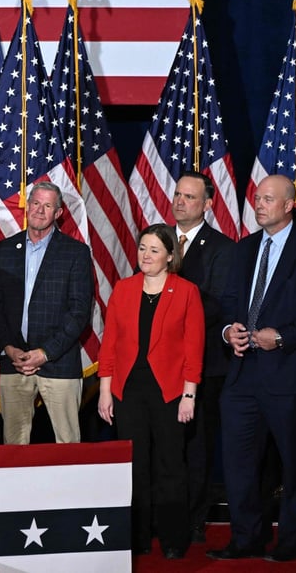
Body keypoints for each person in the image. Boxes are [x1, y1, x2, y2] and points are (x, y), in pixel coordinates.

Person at [208, 175, 296, 563]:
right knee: (239, 462)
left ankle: (290, 539)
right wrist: (229, 331)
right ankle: (246, 537)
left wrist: (280, 337)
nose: (258, 204)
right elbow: (229, 302)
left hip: (291, 374)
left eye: (267, 199)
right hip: (242, 375)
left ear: (288, 206)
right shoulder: (245, 248)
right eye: (257, 197)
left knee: (294, 463)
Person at [98, 223, 203, 559]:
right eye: (142, 248)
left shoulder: (186, 291)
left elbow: (193, 348)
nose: (146, 255)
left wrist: (189, 395)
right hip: (127, 390)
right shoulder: (123, 288)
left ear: (170, 256)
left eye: (154, 250)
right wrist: (104, 391)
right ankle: (137, 537)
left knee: (170, 464)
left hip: (170, 391)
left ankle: (173, 539)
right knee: (134, 465)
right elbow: (110, 344)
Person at [0, 181, 93, 444]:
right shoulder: (6, 249)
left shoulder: (76, 253)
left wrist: (45, 353)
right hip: (15, 362)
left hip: (59, 363)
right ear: (27, 206)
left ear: (58, 213)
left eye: (47, 205)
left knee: (68, 446)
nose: (39, 210)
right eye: (35, 203)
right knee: (14, 448)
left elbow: (79, 312)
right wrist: (8, 348)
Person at [170, 171, 234, 543]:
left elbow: (216, 305)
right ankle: (164, 513)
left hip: (204, 365)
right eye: (178, 194)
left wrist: (165, 318)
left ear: (208, 204)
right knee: (166, 445)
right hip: (159, 365)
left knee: (197, 445)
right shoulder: (158, 240)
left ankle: (194, 518)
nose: (180, 201)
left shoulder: (222, 248)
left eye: (190, 197)